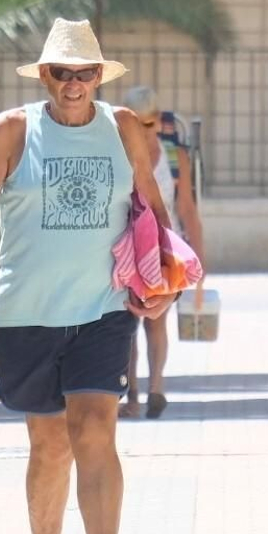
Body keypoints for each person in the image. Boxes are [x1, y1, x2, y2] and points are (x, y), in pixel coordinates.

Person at [0, 18, 178, 534]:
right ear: (45, 75)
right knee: (50, 443)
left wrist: (167, 283)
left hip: (102, 309)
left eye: (85, 73)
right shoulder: (13, 131)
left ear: (99, 77)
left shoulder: (123, 128)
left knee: (96, 429)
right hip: (27, 312)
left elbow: (153, 209)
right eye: (62, 73)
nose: (73, 84)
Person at [117, 86, 207, 420]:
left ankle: (155, 388)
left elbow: (187, 209)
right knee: (126, 323)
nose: (144, 130)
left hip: (163, 248)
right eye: (136, 124)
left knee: (156, 321)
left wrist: (198, 259)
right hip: (125, 247)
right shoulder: (117, 154)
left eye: (150, 123)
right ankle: (134, 394)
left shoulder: (173, 155)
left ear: (158, 121)